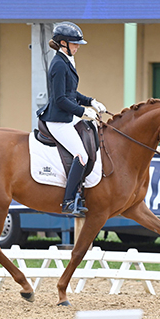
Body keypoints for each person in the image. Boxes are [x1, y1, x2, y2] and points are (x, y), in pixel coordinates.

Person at [36, 21, 107, 216]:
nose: (77, 47)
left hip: (67, 116)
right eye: (74, 44)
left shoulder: (66, 61)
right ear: (62, 43)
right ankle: (68, 201)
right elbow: (60, 99)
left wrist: (91, 101)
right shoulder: (59, 64)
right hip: (58, 119)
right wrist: (82, 112)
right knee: (81, 156)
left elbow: (71, 93)